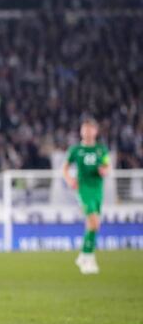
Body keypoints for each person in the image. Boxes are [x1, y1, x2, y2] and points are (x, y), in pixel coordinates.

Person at [62, 117, 110, 274]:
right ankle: (88, 258)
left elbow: (107, 165)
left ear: (95, 131)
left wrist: (105, 170)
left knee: (93, 224)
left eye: (90, 129)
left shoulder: (101, 149)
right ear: (82, 131)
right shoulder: (75, 150)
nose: (87, 132)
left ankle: (84, 254)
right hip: (83, 189)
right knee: (94, 222)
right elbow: (65, 168)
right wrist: (70, 180)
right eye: (85, 129)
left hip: (97, 189)